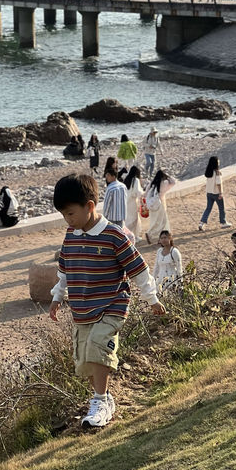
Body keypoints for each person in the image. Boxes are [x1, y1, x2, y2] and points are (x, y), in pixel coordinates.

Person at [49, 174, 164, 429]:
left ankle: (100, 400)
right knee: (87, 357)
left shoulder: (114, 235)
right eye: (64, 215)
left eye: (70, 213)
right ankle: (103, 399)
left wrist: (152, 299)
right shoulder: (72, 235)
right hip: (82, 309)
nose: (68, 220)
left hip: (112, 304)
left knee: (98, 345)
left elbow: (138, 269)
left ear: (90, 206)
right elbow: (65, 270)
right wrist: (58, 297)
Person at [198, 156, 231, 231]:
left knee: (208, 208)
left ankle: (201, 222)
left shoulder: (208, 172)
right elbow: (218, 184)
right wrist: (220, 193)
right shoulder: (217, 173)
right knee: (221, 208)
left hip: (209, 192)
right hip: (216, 193)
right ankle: (223, 222)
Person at [145, 169, 176, 244]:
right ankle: (150, 233)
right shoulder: (164, 183)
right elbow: (173, 182)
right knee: (162, 222)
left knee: (155, 221)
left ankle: (159, 238)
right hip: (160, 204)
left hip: (152, 204)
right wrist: (167, 176)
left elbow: (146, 192)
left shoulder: (152, 183)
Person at [103, 165, 129, 230]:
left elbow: (107, 205)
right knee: (120, 235)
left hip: (111, 217)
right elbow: (125, 200)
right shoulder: (123, 186)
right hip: (121, 216)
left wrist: (104, 217)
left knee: (112, 235)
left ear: (113, 176)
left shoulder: (110, 188)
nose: (106, 177)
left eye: (108, 175)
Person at [123, 166, 144, 241]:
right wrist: (143, 195)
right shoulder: (136, 180)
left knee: (127, 219)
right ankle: (133, 235)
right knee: (134, 219)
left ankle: (127, 234)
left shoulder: (126, 179)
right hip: (132, 202)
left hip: (126, 202)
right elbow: (138, 192)